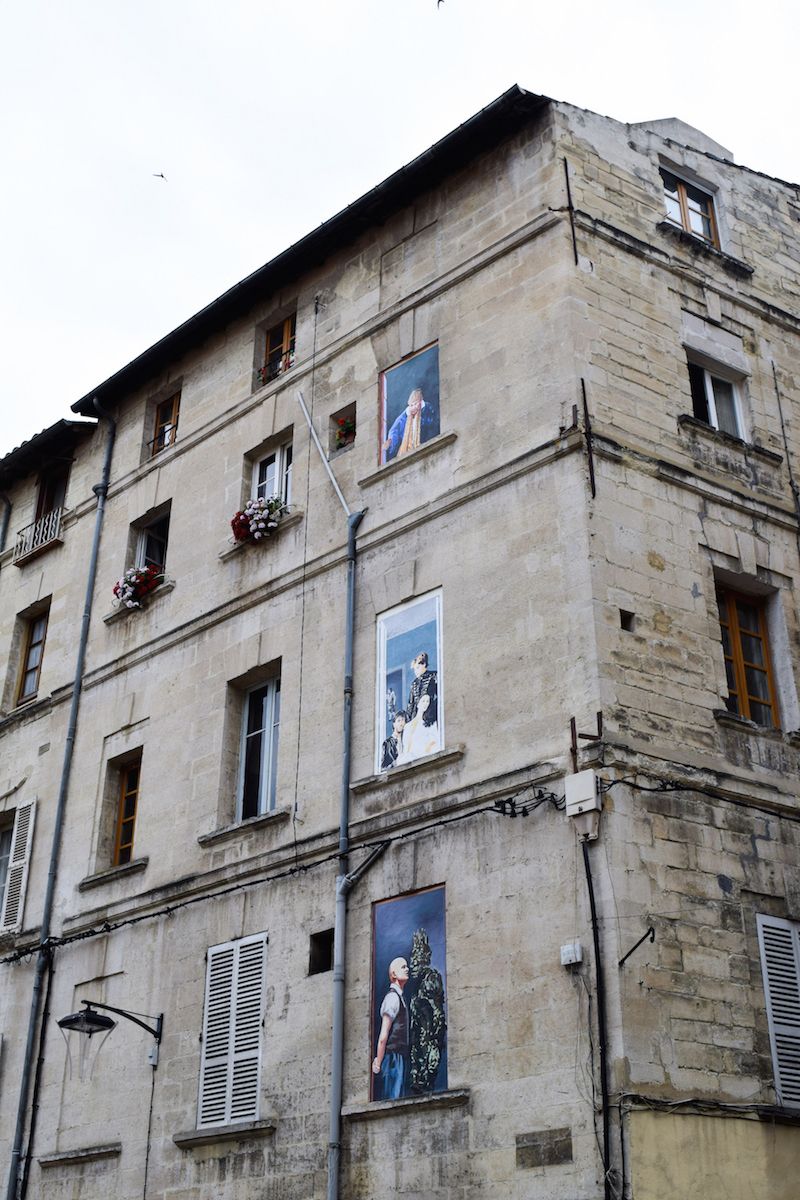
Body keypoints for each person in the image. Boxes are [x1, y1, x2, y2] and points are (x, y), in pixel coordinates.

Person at [372, 956, 410, 1099]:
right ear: (393, 974)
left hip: (398, 1057)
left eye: (407, 966)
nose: (407, 969)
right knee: (392, 1097)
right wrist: (379, 1062)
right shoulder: (393, 998)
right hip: (392, 1058)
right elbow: (384, 1035)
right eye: (403, 967)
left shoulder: (400, 998)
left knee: (398, 1095)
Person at [382, 387, 437, 461]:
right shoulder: (406, 415)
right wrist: (391, 440)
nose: (413, 407)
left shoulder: (428, 408)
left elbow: (431, 425)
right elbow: (395, 428)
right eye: (411, 405)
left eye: (415, 404)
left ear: (420, 401)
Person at [388, 652, 438, 728]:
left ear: (424, 664)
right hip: (418, 718)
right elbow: (411, 704)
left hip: (431, 716)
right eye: (414, 669)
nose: (416, 672)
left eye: (417, 668)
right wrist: (409, 721)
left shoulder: (434, 675)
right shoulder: (414, 683)